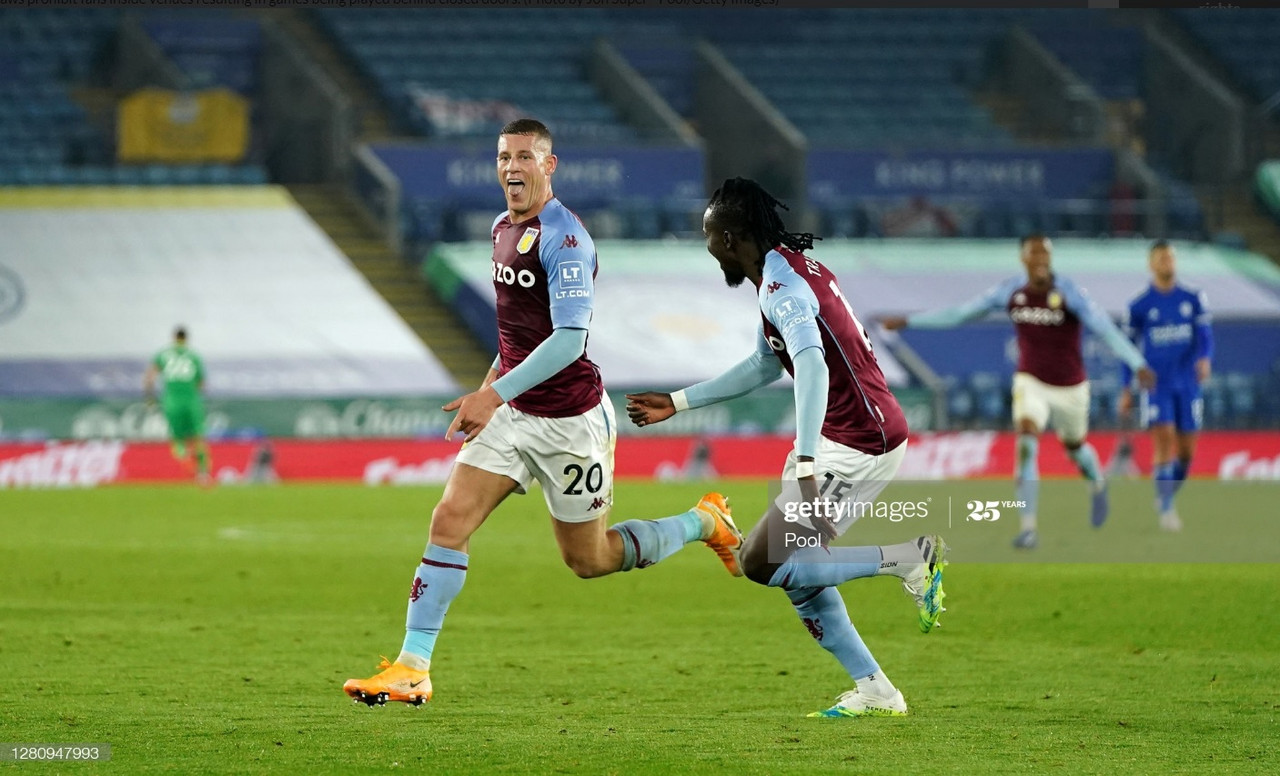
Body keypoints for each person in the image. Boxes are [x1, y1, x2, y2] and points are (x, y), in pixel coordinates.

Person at [342, 119, 743, 707]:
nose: (511, 167)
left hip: (571, 422)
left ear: (548, 166)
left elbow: (568, 342)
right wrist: (489, 392)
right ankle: (412, 666)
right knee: (448, 520)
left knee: (590, 559)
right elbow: (515, 337)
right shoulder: (503, 229)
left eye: (525, 156)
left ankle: (705, 522)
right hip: (511, 412)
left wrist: (493, 395)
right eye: (503, 156)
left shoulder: (567, 238)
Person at [627, 178, 946, 719]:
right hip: (838, 434)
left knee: (760, 561)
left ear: (730, 238)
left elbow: (814, 363)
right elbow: (764, 364)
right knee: (795, 574)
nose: (708, 249)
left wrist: (805, 459)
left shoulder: (784, 289)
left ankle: (909, 558)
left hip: (860, 443)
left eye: (709, 238)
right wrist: (677, 403)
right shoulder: (781, 272)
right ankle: (876, 691)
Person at [881, 234, 1155, 549]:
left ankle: (1097, 484)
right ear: (1023, 259)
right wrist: (910, 321)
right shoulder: (1011, 291)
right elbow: (962, 313)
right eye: (1034, 254)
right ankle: (1028, 528)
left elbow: (1105, 329)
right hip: (1031, 381)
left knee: (1076, 449)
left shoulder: (1069, 293)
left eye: (1045, 254)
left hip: (1071, 386)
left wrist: (1138, 364)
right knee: (1026, 441)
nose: (1041, 260)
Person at [1117, 240, 1213, 532]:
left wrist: (1205, 359)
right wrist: (1126, 387)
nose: (1166, 263)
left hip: (1188, 384)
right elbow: (1126, 348)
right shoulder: (1139, 305)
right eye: (1161, 258)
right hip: (1157, 385)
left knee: (1186, 453)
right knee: (1165, 438)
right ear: (1151, 265)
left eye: (1170, 258)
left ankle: (1166, 495)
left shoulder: (1193, 298)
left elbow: (1206, 336)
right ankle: (1168, 511)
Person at [143, 326, 212, 486]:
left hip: (172, 401)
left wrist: (149, 399)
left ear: (174, 338)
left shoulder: (163, 355)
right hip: (192, 401)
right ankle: (203, 474)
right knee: (198, 437)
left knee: (178, 440)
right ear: (186, 339)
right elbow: (202, 384)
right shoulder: (194, 356)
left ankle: (188, 463)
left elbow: (149, 378)